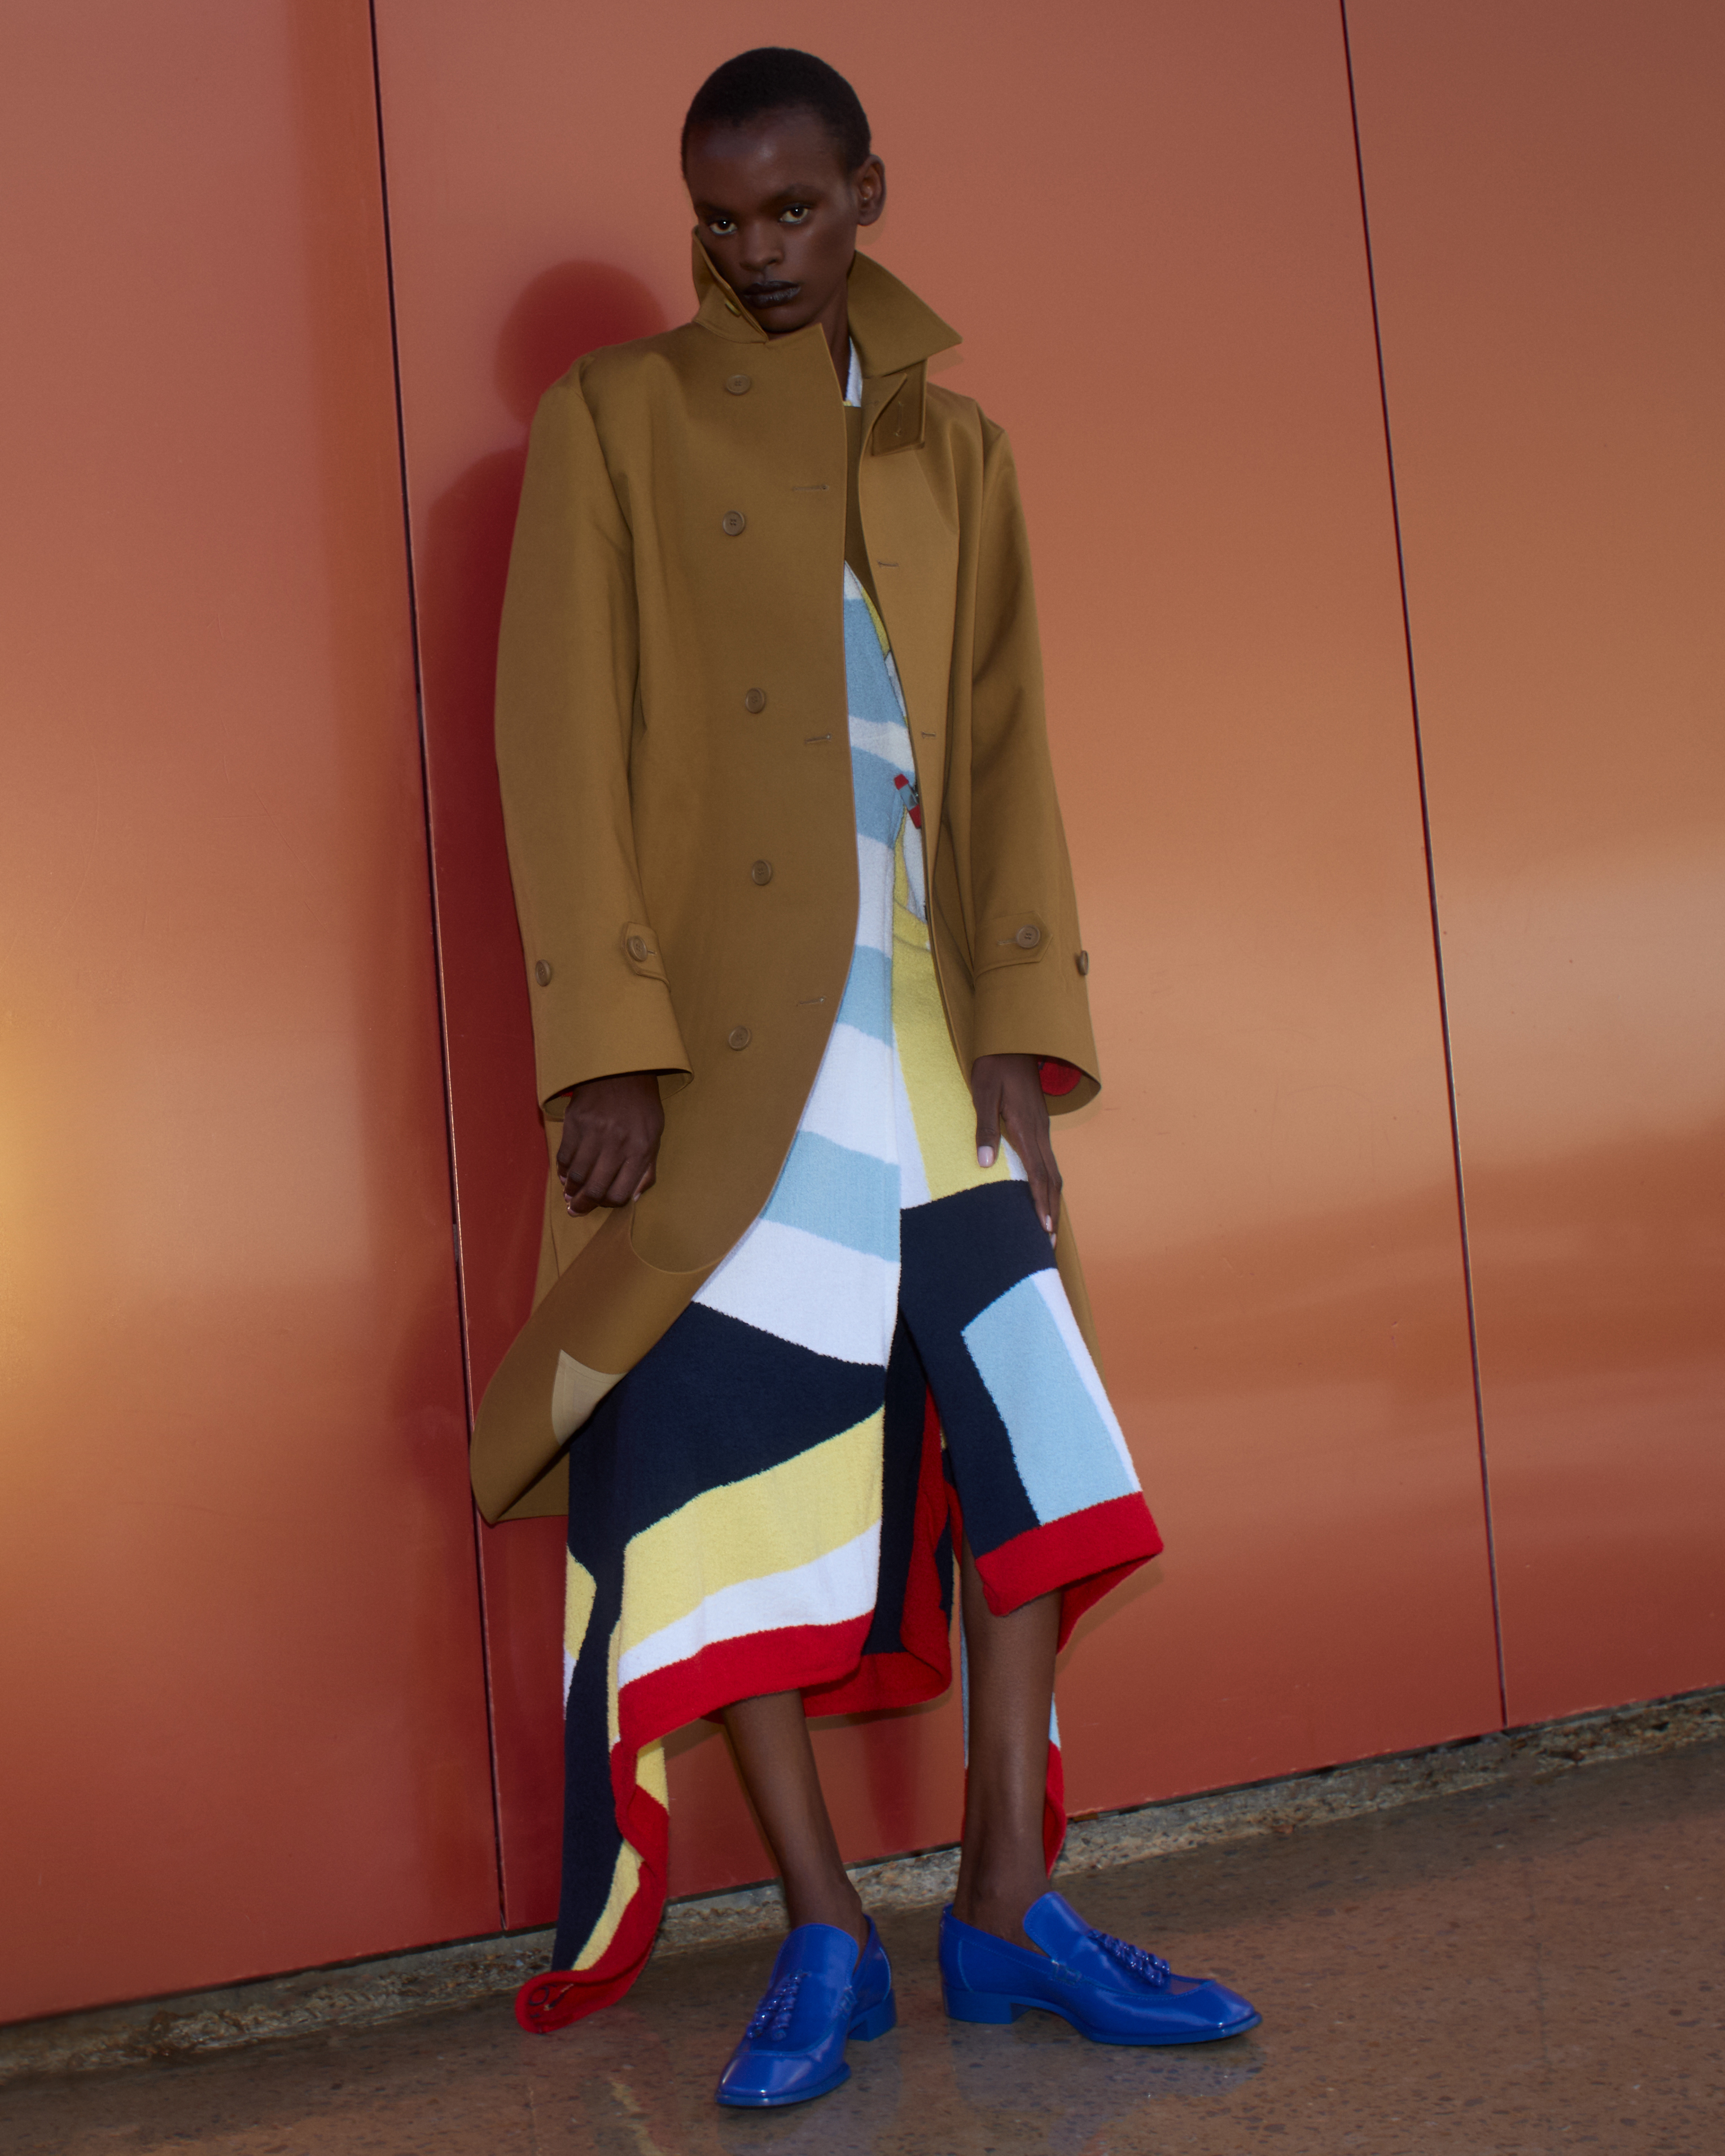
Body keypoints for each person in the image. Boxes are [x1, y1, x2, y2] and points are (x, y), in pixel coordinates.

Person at [479, 46, 1259, 2109]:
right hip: (724, 1049)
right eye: (720, 220)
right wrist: (607, 1048)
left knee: (1029, 1443)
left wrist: (1017, 1032)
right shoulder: (615, 418)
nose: (758, 252)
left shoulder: (956, 448)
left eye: (796, 209)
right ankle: (822, 1927)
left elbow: (1001, 753)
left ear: (869, 193)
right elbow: (557, 745)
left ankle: (1006, 1901)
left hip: (921, 1024)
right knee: (734, 1464)